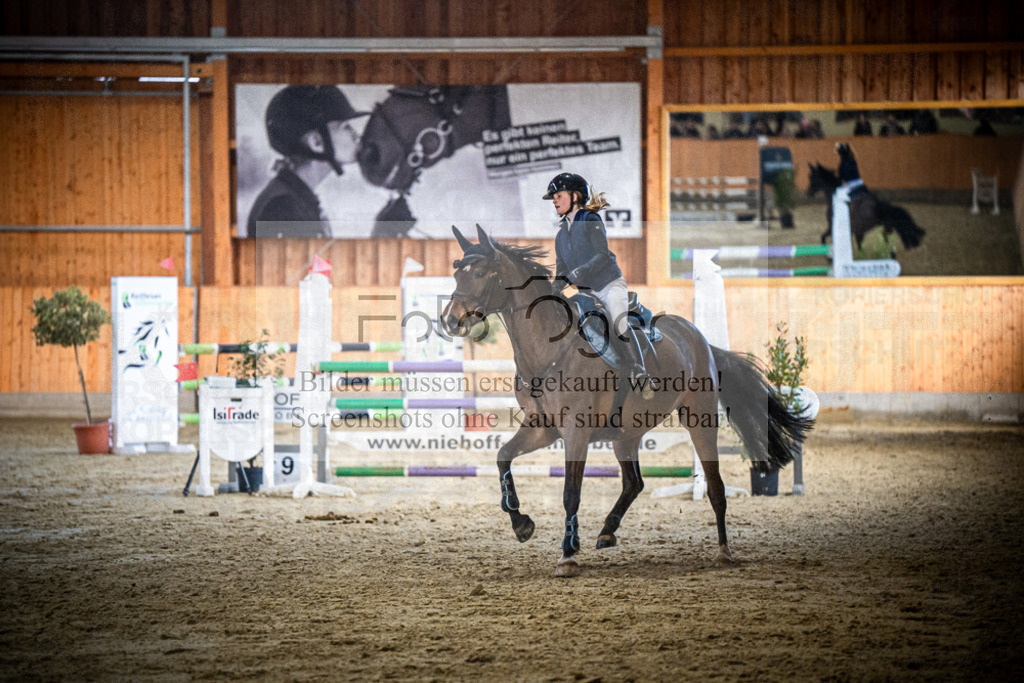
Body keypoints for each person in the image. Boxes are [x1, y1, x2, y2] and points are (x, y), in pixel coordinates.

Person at [545, 173, 653, 400]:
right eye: (553, 197)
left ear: (575, 197)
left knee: (617, 321)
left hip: (609, 285)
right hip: (587, 294)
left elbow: (602, 255)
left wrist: (577, 273)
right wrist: (553, 288)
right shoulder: (560, 236)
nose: (554, 200)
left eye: (558, 195)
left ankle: (638, 370)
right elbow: (562, 270)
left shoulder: (591, 220)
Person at [247, 85, 368, 238]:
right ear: (316, 142)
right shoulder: (284, 208)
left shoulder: (293, 197)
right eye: (345, 126)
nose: (356, 135)